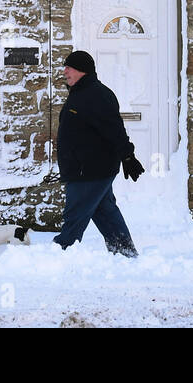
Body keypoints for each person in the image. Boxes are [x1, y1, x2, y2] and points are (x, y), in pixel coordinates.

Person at [53, 50, 146, 256]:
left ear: (82, 70)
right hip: (85, 168)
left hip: (90, 169)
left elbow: (114, 129)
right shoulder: (80, 93)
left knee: (75, 214)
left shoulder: (97, 95)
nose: (65, 71)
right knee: (105, 212)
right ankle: (125, 253)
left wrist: (128, 156)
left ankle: (61, 253)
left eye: (69, 67)